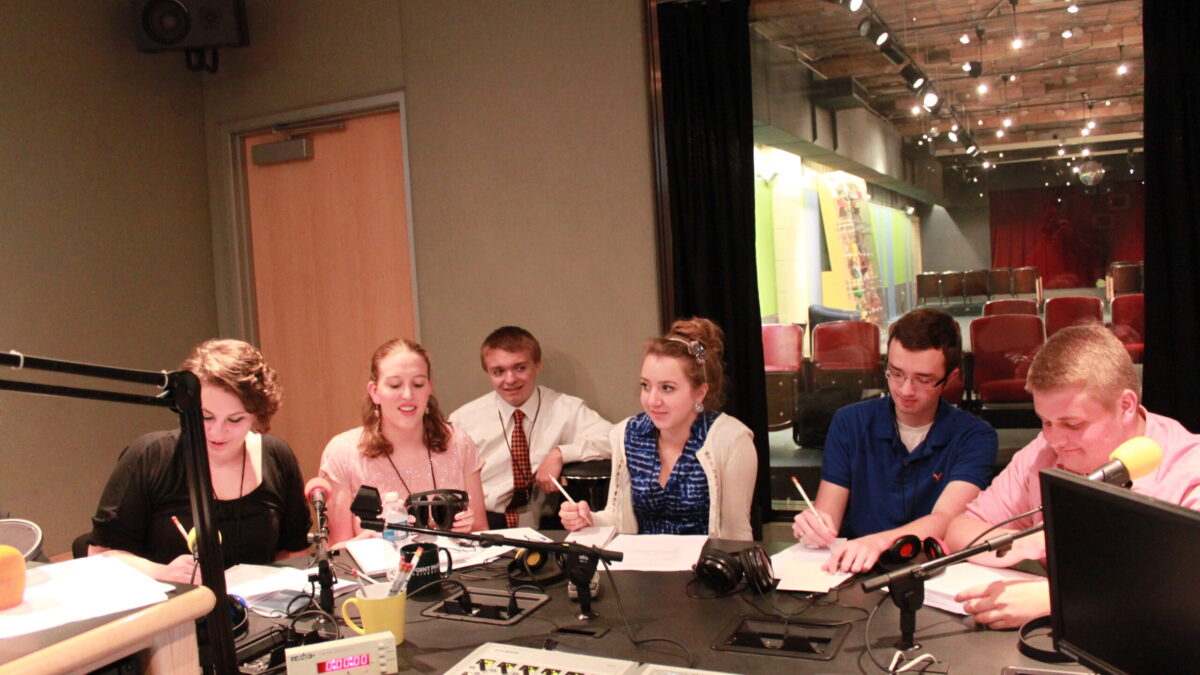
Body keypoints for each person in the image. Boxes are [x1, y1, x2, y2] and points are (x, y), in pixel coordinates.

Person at [946, 323, 1200, 629]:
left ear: (1126, 406)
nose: (1055, 439)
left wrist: (1058, 599)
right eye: (1045, 421)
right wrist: (1032, 543)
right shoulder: (1044, 451)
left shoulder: (1188, 467)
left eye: (1073, 424)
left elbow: (1184, 594)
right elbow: (960, 531)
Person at [792, 309, 997, 573]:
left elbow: (947, 519)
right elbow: (827, 513)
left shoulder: (974, 436)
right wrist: (814, 528)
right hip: (853, 569)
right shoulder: (850, 423)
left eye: (923, 379)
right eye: (896, 373)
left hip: (931, 572)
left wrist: (877, 542)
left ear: (951, 378)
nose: (905, 389)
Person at [89, 339, 311, 583]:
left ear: (258, 415)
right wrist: (161, 573)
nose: (217, 432)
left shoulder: (277, 456)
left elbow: (294, 549)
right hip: (174, 608)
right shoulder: (150, 455)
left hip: (259, 612)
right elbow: (101, 553)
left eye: (235, 420)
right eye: (205, 416)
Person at [559, 318, 757, 540]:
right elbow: (617, 516)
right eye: (646, 385)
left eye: (667, 388)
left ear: (700, 393)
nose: (652, 400)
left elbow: (736, 533)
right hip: (641, 567)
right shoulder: (628, 434)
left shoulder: (730, 440)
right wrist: (588, 519)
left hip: (702, 568)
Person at [320, 338, 487, 544]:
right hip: (376, 574)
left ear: (429, 389)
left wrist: (467, 525)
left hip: (455, 571)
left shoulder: (459, 443)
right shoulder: (342, 453)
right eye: (395, 385)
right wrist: (367, 540)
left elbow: (482, 531)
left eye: (418, 384)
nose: (408, 395)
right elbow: (336, 553)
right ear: (375, 392)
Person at [449, 326, 611, 529]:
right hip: (486, 523)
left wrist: (560, 453)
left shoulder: (565, 409)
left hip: (549, 524)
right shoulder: (464, 420)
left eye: (520, 368)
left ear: (537, 365)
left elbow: (614, 440)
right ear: (488, 373)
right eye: (498, 371)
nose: (510, 379)